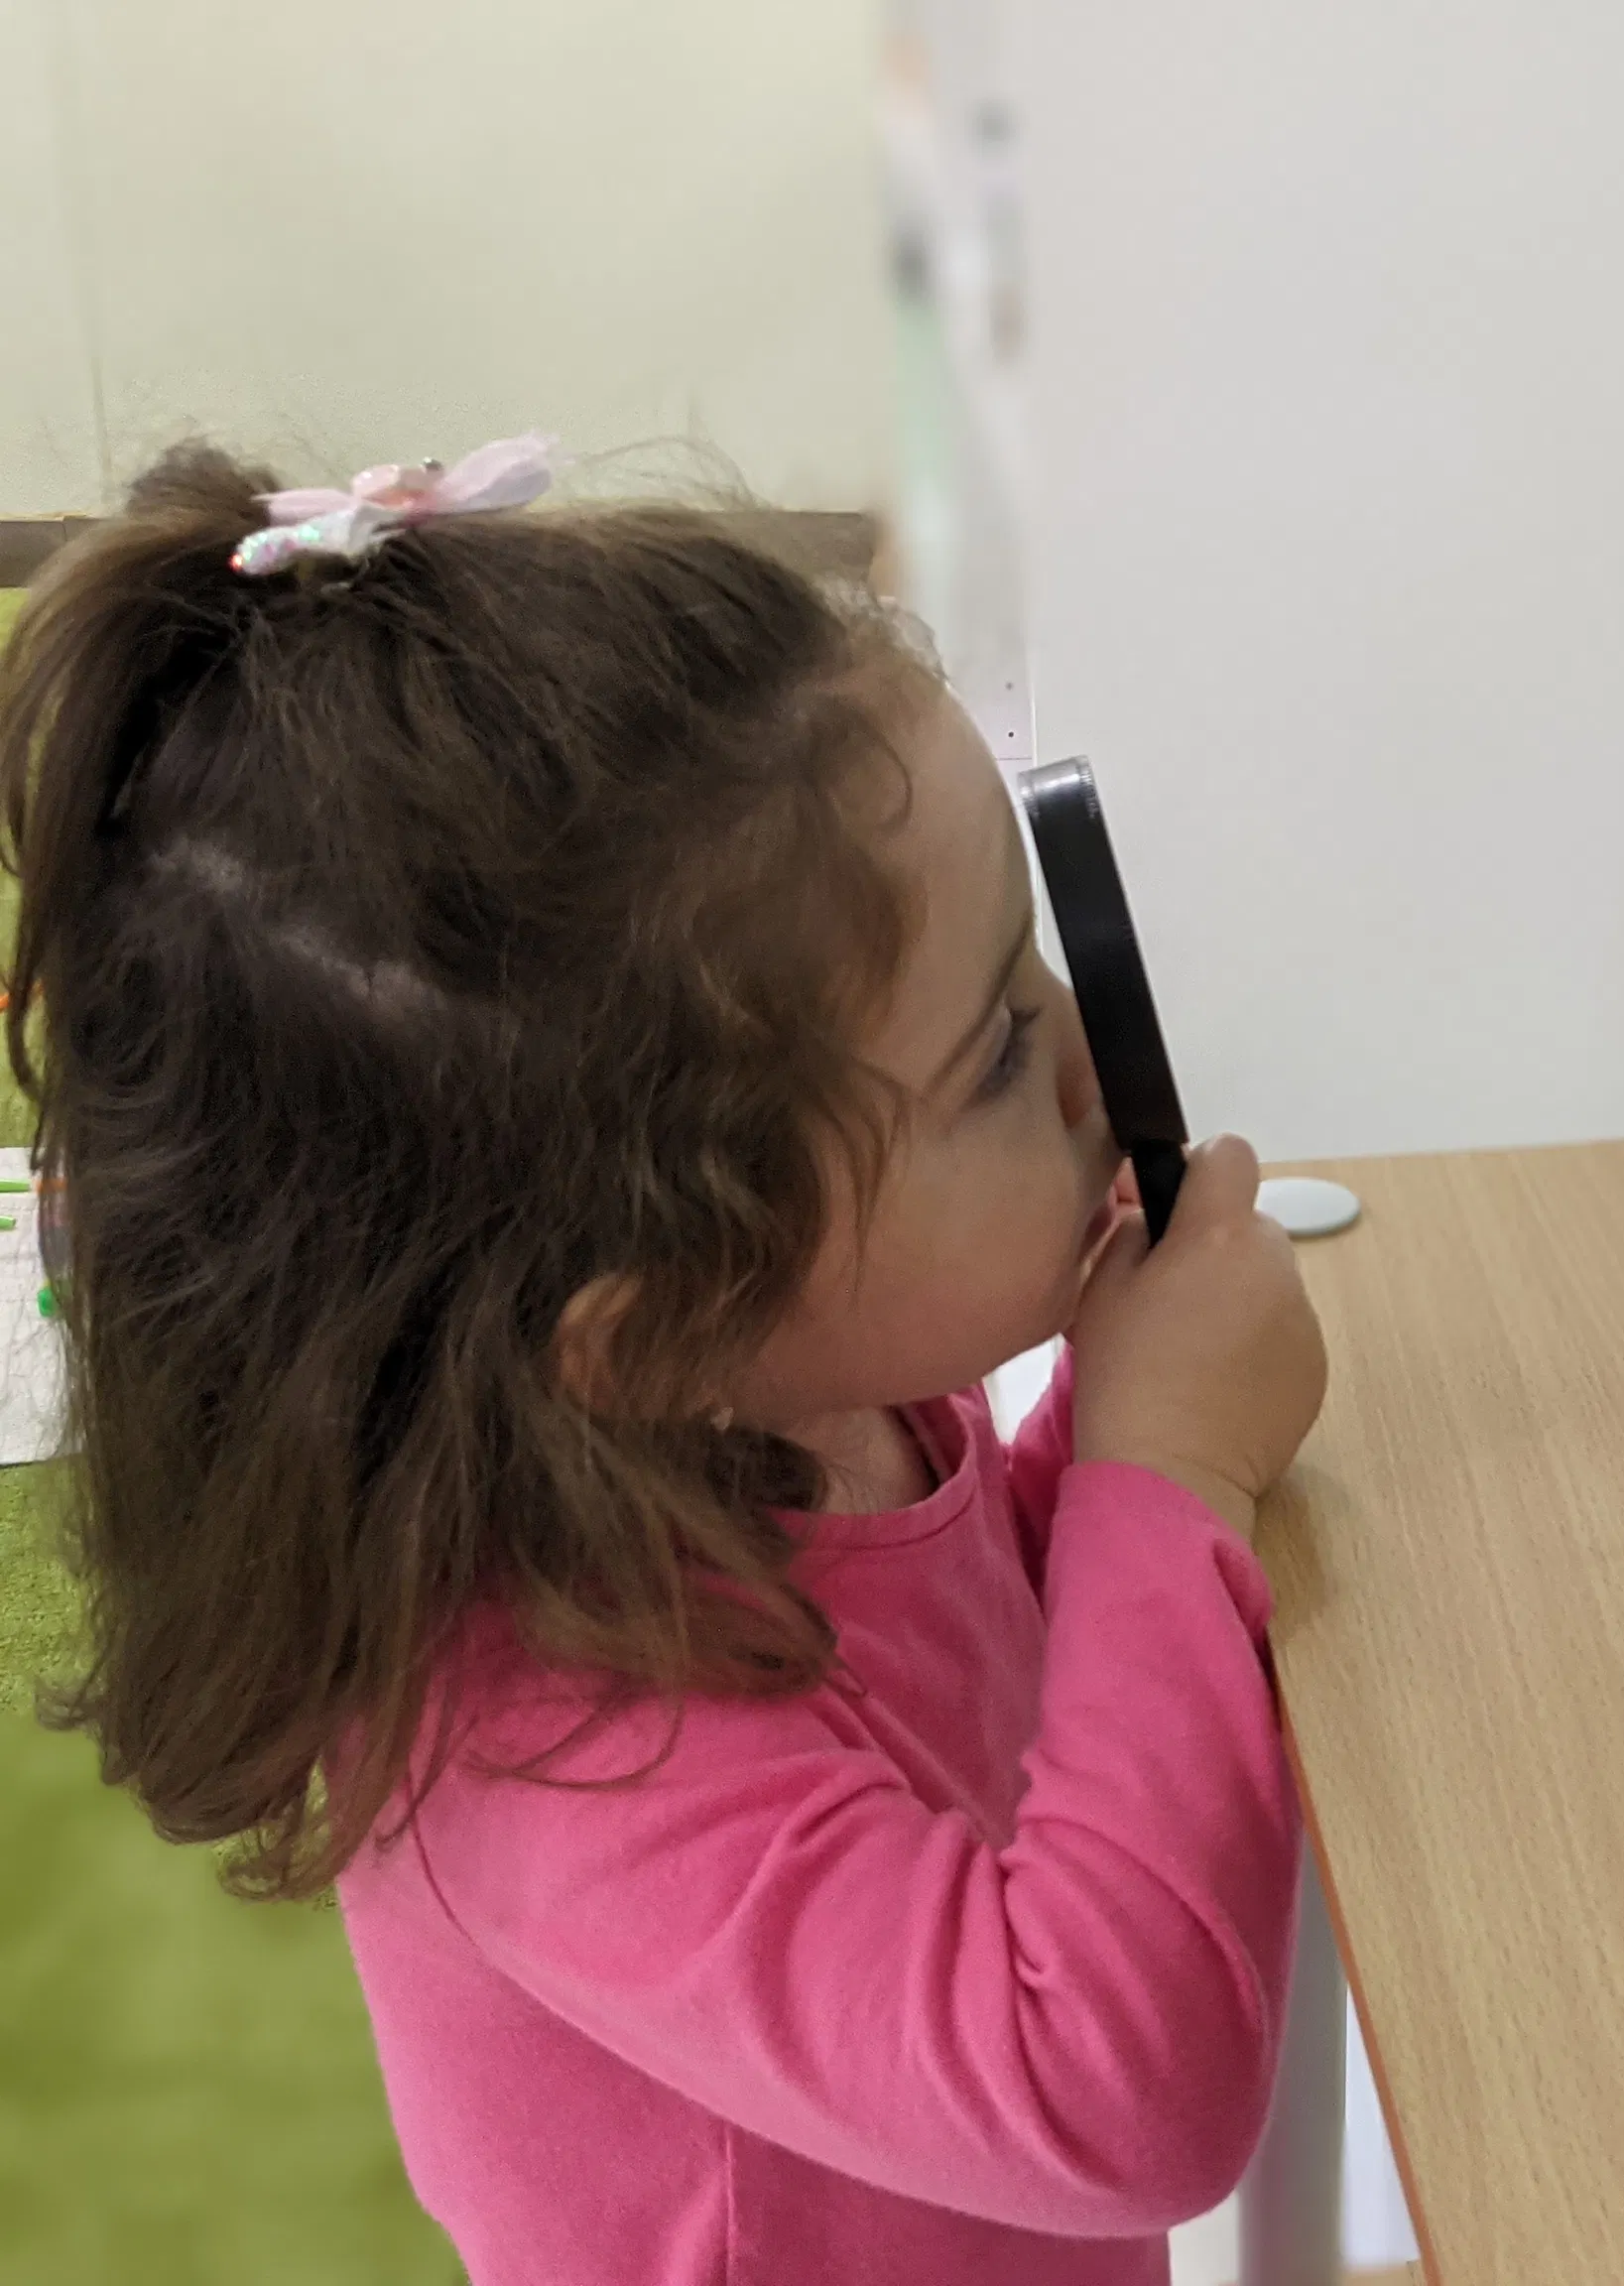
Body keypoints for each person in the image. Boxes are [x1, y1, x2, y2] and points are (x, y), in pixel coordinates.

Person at [0, 436, 1327, 2285]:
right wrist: (1165, 1474)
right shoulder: (558, 1744)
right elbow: (1111, 2093)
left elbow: (972, 1657)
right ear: (656, 1327)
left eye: (1032, 975)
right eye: (996, 1057)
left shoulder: (810, 1395)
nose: (1096, 1063)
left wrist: (1109, 1439)